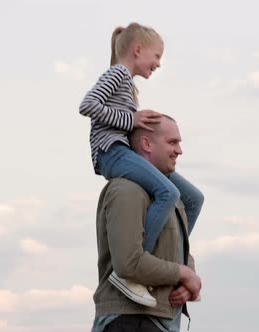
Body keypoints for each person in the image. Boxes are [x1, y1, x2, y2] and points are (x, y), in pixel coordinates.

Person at [79, 22, 204, 307]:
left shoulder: (128, 84)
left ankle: (172, 256)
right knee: (168, 193)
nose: (158, 63)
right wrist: (131, 120)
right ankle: (135, 268)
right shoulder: (118, 74)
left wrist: (138, 124)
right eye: (157, 56)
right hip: (111, 152)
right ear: (137, 50)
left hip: (124, 148)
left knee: (192, 198)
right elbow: (87, 105)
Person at [92, 115, 202, 332]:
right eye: (172, 142)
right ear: (146, 144)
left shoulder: (166, 198)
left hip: (155, 321)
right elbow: (129, 263)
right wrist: (183, 273)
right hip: (130, 321)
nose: (179, 150)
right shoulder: (127, 190)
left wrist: (188, 280)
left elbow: (177, 248)